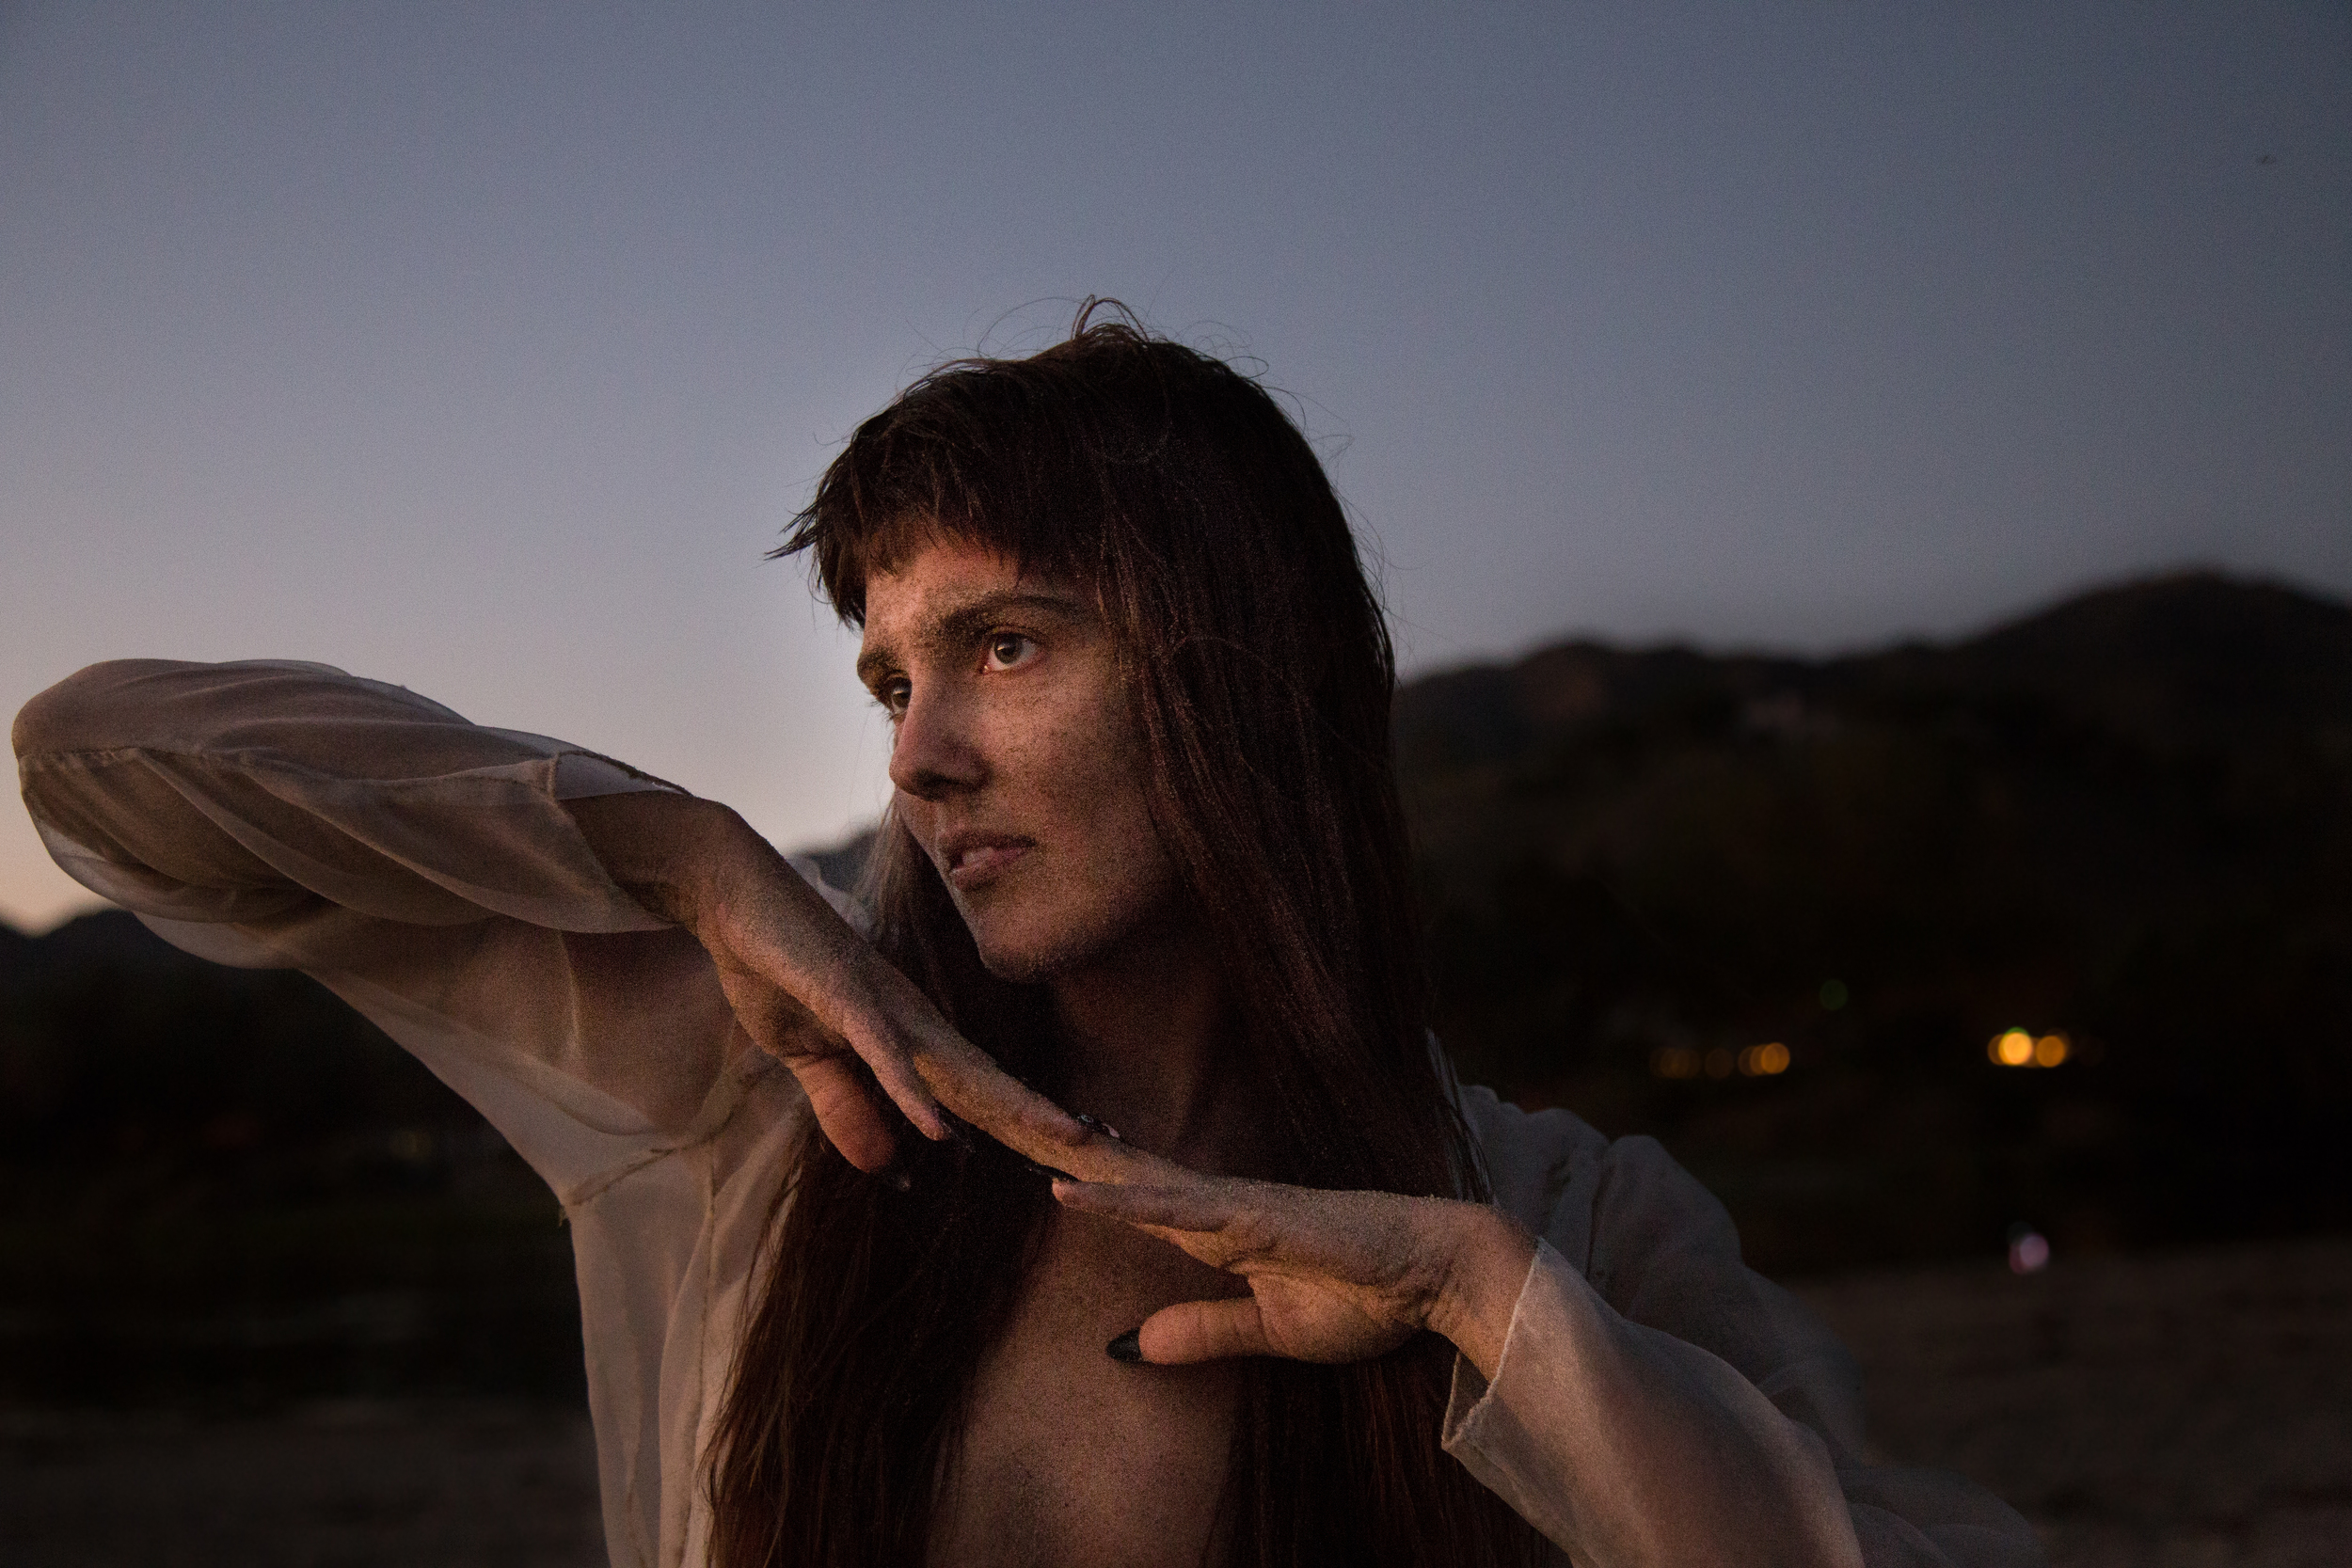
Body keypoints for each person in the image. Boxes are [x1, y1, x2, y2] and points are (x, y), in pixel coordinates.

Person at [12, 313, 2041, 1568]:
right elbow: (95, 760)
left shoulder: (1567, 1223)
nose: (922, 757)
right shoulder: (771, 1096)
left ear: (1250, 677)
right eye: (888, 679)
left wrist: (1479, 1305)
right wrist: (676, 851)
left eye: (1003, 645)